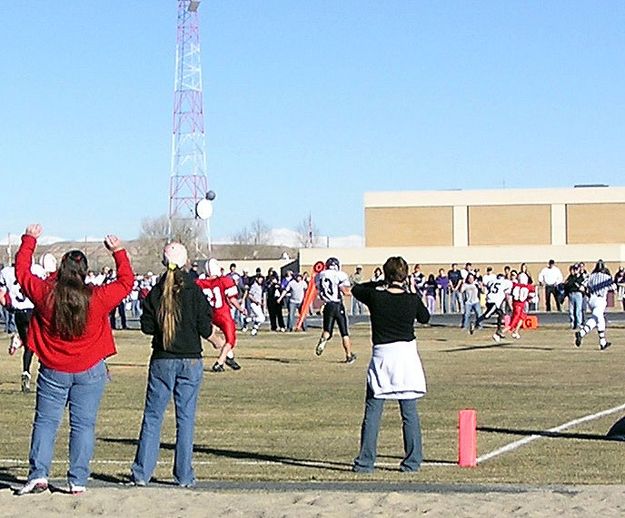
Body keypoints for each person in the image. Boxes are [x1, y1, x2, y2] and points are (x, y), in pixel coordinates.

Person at [14, 224, 133, 495]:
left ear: (60, 271)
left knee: (46, 422)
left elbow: (22, 272)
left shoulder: (46, 294)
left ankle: (39, 474)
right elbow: (126, 282)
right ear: (84, 272)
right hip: (90, 369)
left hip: (54, 369)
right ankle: (77, 479)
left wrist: (30, 240)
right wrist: (119, 252)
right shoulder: (97, 298)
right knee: (83, 425)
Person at [131, 242, 213, 487]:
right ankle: (184, 475)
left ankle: (142, 473)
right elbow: (204, 327)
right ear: (186, 261)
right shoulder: (194, 291)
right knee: (185, 419)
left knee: (153, 417)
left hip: (163, 359)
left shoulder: (156, 292)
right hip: (190, 359)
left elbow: (146, 326)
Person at [352, 256, 430, 473]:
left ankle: (366, 462)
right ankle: (412, 461)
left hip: (383, 357)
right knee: (409, 412)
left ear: (386, 274)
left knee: (373, 411)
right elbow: (425, 317)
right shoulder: (412, 299)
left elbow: (357, 289)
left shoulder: (376, 296)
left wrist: (379, 283)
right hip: (406, 357)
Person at [196, 259, 247, 372]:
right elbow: (231, 298)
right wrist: (241, 308)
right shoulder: (225, 280)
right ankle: (220, 362)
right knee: (231, 340)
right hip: (223, 313)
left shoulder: (200, 283)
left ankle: (229, 357)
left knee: (217, 340)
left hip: (210, 314)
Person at [314, 257, 357, 364]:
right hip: (337, 305)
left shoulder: (319, 276)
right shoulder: (339, 275)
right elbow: (345, 291)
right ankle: (348, 355)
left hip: (327, 305)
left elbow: (319, 290)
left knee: (327, 330)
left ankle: (323, 341)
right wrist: (355, 292)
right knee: (344, 332)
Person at [575, 260, 616, 351]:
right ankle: (602, 342)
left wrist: (588, 292)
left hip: (591, 300)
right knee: (600, 319)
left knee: (595, 319)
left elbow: (581, 288)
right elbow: (614, 287)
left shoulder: (591, 276)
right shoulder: (606, 277)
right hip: (600, 300)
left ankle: (581, 333)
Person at [470, 274, 513, 342]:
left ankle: (499, 331)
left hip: (489, 299)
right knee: (487, 315)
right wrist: (510, 305)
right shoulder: (506, 282)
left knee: (501, 314)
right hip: (495, 302)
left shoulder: (492, 281)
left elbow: (486, 287)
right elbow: (507, 294)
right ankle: (475, 323)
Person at [501, 274, 536, 339]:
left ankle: (516, 331)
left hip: (515, 303)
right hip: (520, 304)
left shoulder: (514, 285)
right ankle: (500, 332)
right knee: (513, 321)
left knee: (523, 317)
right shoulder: (528, 287)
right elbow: (531, 296)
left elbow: (509, 292)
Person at [564, 264, 585, 330]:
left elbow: (581, 285)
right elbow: (567, 284)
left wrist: (575, 283)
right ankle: (572, 324)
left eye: (576, 269)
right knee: (571, 310)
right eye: (574, 269)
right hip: (571, 294)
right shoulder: (570, 277)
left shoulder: (581, 277)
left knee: (578, 310)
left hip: (578, 294)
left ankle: (579, 324)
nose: (575, 270)